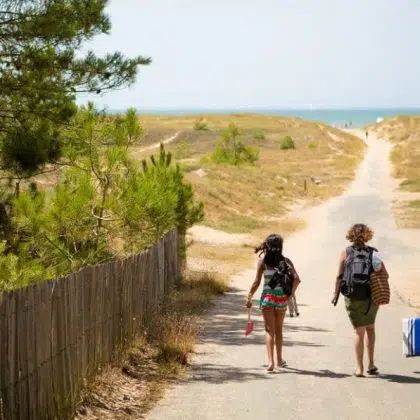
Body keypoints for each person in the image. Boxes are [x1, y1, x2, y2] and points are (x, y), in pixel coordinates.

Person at [246, 234, 301, 372]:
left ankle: (270, 363)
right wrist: (289, 295)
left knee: (269, 331)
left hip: (268, 298)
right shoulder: (286, 261)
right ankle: (280, 360)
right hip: (281, 298)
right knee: (279, 330)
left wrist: (249, 296)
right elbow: (297, 279)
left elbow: (257, 282)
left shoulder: (263, 261)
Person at [332, 223, 380, 377]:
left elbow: (339, 276)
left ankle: (359, 369)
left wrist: (335, 294)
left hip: (352, 296)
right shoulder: (374, 252)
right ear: (367, 235)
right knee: (370, 328)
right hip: (370, 297)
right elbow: (381, 275)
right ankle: (371, 364)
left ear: (351, 235)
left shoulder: (345, 252)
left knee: (358, 331)